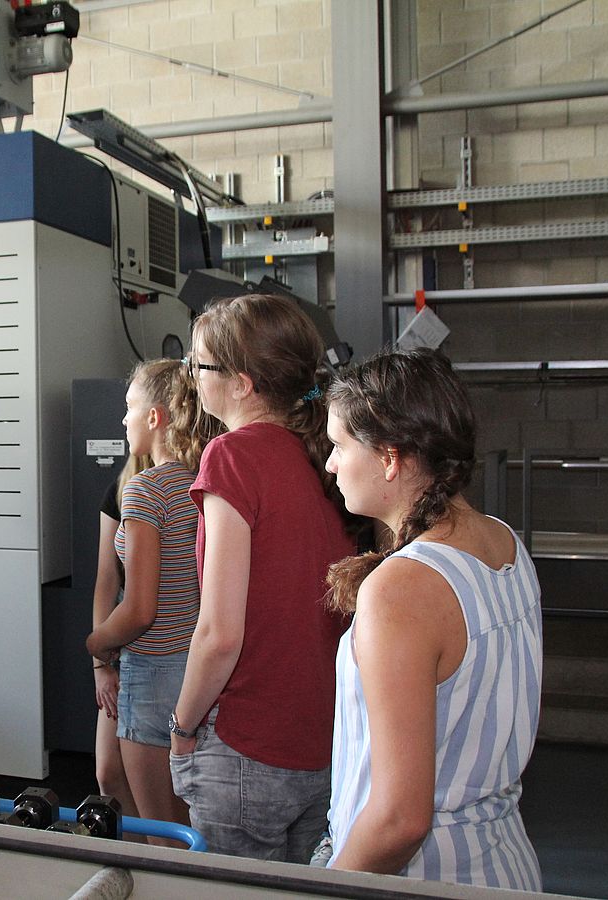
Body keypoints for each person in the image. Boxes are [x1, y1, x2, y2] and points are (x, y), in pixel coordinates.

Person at [319, 349, 542, 889]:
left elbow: (399, 820)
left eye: (339, 445)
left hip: (426, 877)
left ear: (389, 458)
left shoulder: (401, 590)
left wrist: (323, 889)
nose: (330, 464)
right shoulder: (503, 541)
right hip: (503, 864)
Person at [170, 293, 356, 861]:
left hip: (247, 746)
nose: (192, 377)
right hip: (323, 744)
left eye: (198, 365)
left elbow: (219, 634)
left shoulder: (231, 456)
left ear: (242, 384)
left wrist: (181, 727)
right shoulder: (324, 457)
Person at [86, 359, 220, 841]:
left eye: (129, 407)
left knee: (161, 832)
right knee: (185, 822)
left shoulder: (145, 489)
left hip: (152, 669)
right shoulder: (202, 482)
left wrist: (96, 645)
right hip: (194, 667)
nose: (123, 419)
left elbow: (140, 610)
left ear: (155, 416)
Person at [89, 452, 149, 830]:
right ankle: (137, 854)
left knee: (158, 786)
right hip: (121, 647)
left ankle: (160, 854)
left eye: (130, 420)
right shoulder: (121, 488)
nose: (125, 424)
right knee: (108, 772)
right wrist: (100, 665)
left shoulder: (189, 481)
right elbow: (106, 581)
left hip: (169, 647)